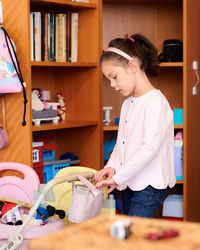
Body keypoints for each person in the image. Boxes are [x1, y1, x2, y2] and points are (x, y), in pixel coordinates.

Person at [94, 34, 176, 218]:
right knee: (133, 235)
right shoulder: (127, 103)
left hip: (149, 185)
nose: (113, 85)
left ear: (132, 66)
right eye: (109, 80)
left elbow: (149, 149)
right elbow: (121, 142)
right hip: (129, 181)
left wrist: (118, 177)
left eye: (114, 77)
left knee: (134, 238)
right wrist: (112, 166)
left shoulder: (156, 103)